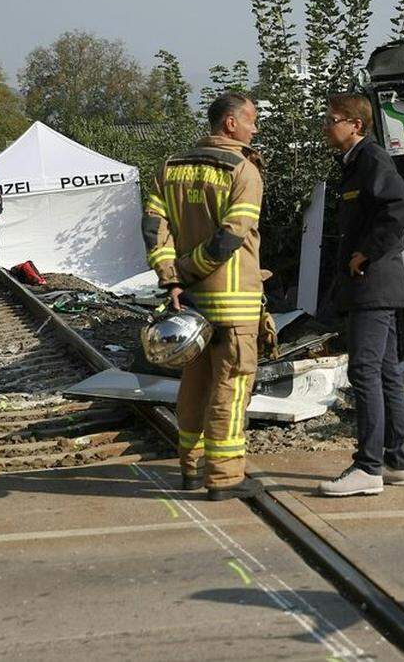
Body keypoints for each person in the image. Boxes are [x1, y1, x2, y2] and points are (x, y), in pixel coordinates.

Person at [143, 92, 265, 501]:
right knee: (230, 388)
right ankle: (226, 477)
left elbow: (154, 227)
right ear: (230, 123)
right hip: (234, 304)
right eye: (250, 119)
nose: (255, 127)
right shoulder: (244, 170)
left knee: (194, 386)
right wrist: (190, 269)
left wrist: (171, 277)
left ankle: (191, 467)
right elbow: (232, 235)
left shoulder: (171, 167)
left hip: (189, 307)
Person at [318, 93, 404, 497]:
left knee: (364, 370)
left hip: (372, 284)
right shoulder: (355, 164)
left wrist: (366, 252)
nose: (327, 127)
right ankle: (397, 461)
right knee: (386, 371)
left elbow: (401, 206)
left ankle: (368, 468)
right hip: (377, 284)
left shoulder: (371, 159)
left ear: (355, 124)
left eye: (332, 119)